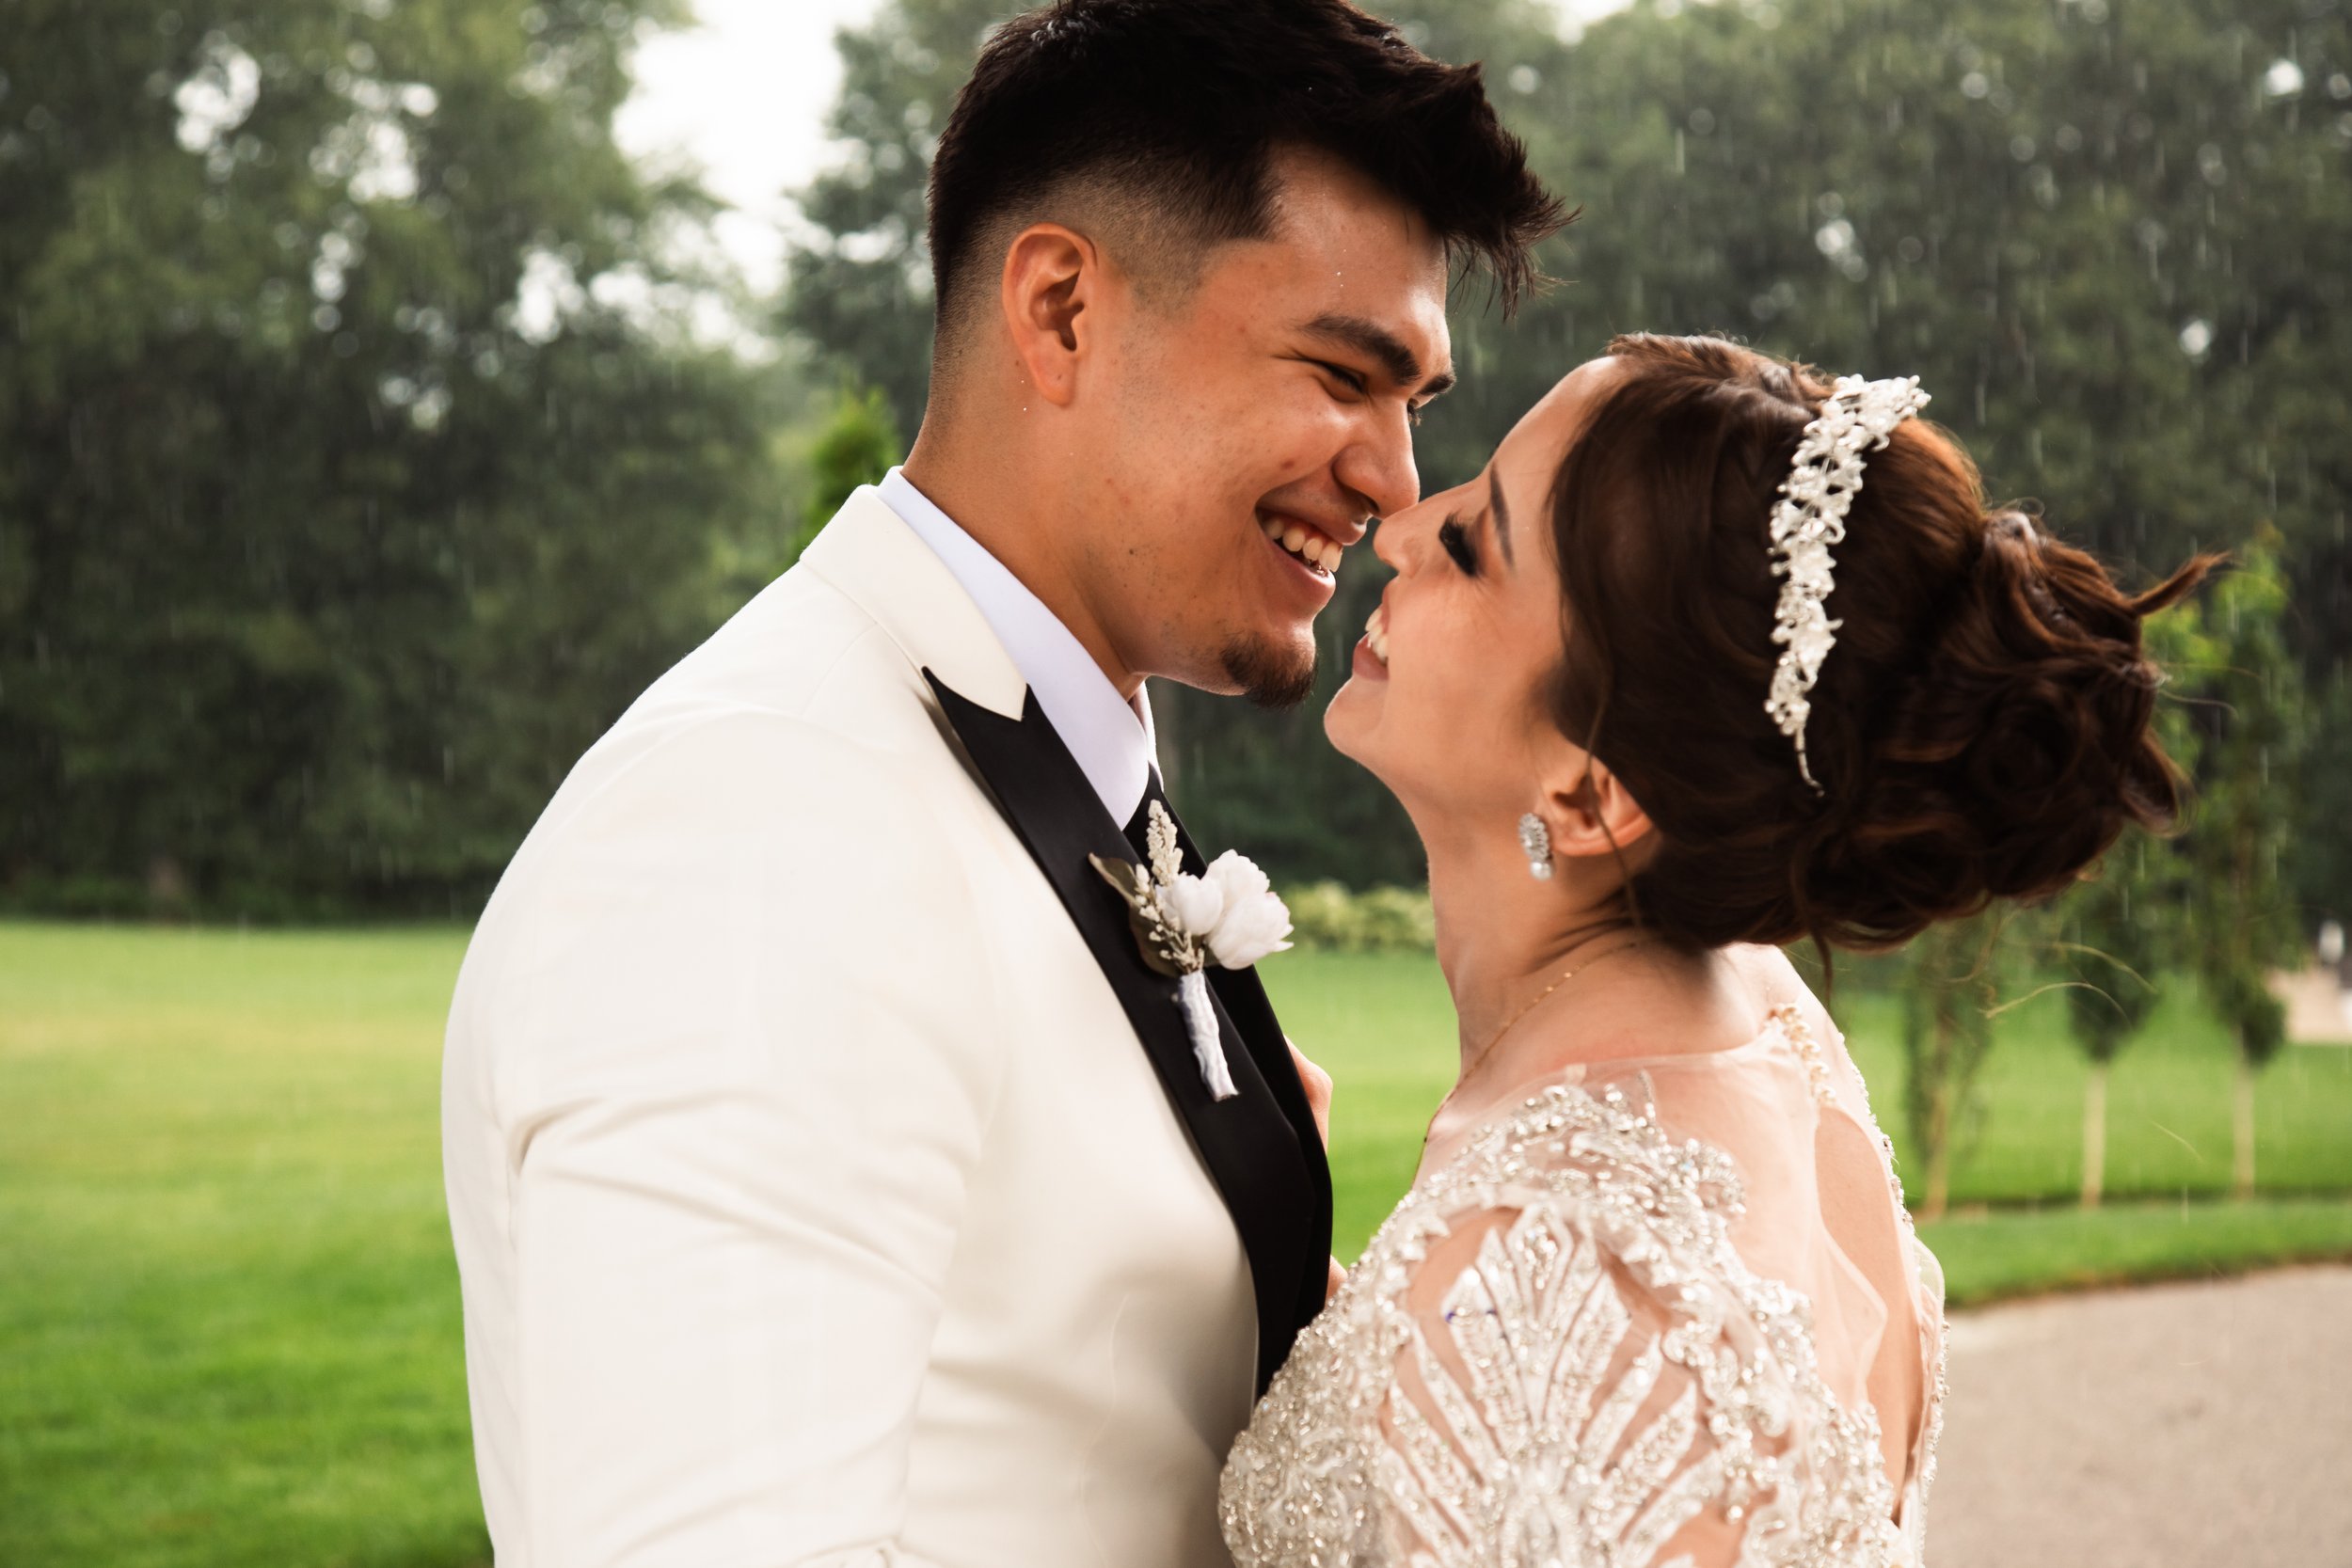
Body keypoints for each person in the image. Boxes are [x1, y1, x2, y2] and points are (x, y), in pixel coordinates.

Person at [439, 3, 1564, 1565]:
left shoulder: (1044, 775)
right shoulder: (761, 830)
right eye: (1339, 374)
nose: (1391, 485)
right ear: (1059, 311)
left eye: (1412, 408)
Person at [1220, 334, 2212, 1566]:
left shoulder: (1568, 1260)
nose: (1400, 531)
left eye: (1476, 546)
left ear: (1590, 795)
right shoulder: (1762, 1021)